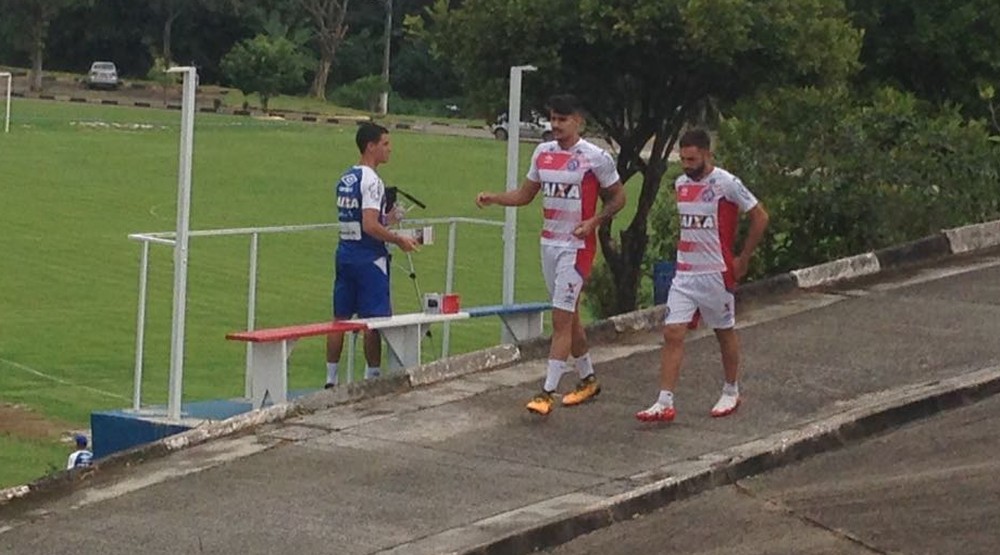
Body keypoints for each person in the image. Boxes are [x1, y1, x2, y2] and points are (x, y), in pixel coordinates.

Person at [476, 94, 626, 416]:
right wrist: (495, 198)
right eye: (553, 119)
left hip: (577, 247)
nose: (556, 125)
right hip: (548, 244)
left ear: (578, 121)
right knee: (570, 317)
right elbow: (525, 194)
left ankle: (547, 391)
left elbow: (618, 198)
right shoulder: (542, 153)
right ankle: (588, 379)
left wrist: (595, 222)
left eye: (562, 119)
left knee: (560, 319)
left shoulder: (595, 157)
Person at [636, 129, 769, 422]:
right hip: (685, 273)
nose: (686, 165)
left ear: (707, 154)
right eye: (683, 159)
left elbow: (760, 216)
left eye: (692, 159)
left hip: (715, 273)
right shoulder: (681, 184)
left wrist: (743, 257)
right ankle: (664, 401)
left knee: (723, 330)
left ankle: (731, 390)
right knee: (672, 332)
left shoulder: (726, 183)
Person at [325, 123, 419, 388]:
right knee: (373, 322)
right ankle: (372, 379)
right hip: (369, 258)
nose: (390, 149)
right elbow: (369, 225)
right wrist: (399, 239)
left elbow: (363, 220)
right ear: (371, 146)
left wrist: (388, 218)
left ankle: (330, 380)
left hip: (345, 253)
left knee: (340, 318)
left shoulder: (346, 178)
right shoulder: (372, 181)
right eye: (385, 144)